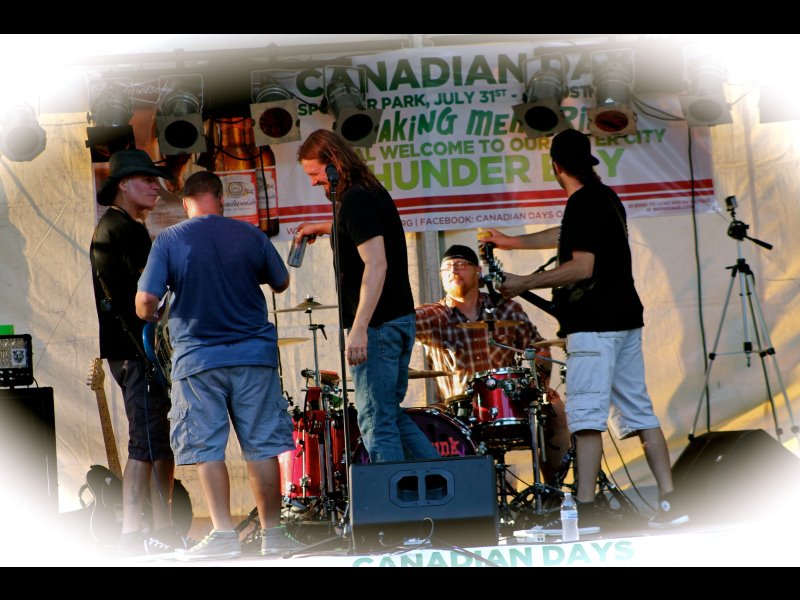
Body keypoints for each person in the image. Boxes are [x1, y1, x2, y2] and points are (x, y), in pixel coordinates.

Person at [483, 128, 689, 529]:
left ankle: (587, 512)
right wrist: (511, 242)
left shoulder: (581, 203)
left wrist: (523, 282)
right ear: (588, 162)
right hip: (625, 321)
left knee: (586, 418)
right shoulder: (604, 197)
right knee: (640, 411)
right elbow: (565, 235)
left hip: (593, 326)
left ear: (555, 166)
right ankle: (670, 502)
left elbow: (582, 266)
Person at [135, 171, 303, 560]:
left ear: (185, 202)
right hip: (253, 358)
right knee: (262, 446)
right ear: (221, 198)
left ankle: (224, 535)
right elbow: (280, 282)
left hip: (198, 362)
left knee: (207, 448)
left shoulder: (169, 240)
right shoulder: (251, 235)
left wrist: (158, 311)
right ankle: (273, 534)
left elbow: (144, 303)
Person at [295, 129, 439, 464]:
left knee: (375, 419)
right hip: (396, 320)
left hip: (378, 326)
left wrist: (359, 328)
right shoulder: (368, 193)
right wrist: (322, 227)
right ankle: (445, 483)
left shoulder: (355, 201)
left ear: (334, 163)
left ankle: (393, 497)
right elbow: (362, 229)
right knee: (388, 414)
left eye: (315, 173)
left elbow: (376, 263)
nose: (313, 182)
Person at [414, 244, 571, 479]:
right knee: (418, 424)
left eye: (460, 265)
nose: (453, 271)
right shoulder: (432, 315)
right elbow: (398, 326)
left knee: (556, 408)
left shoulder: (506, 308)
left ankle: (551, 490)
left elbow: (539, 349)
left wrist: (539, 384)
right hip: (456, 410)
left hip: (508, 403)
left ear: (478, 271)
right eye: (447, 267)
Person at [89, 149, 179, 556]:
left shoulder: (119, 227)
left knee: (156, 440)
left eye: (155, 180)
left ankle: (162, 530)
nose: (155, 188)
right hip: (135, 352)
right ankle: (131, 534)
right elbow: (144, 297)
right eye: (146, 180)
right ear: (123, 184)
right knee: (145, 442)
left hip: (132, 352)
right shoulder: (122, 229)